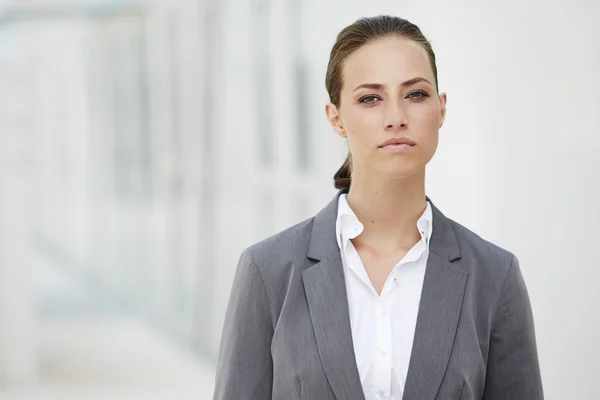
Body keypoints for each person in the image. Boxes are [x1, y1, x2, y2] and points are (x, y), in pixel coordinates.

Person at [213, 15, 543, 400]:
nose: (396, 118)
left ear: (441, 109)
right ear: (335, 118)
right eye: (370, 98)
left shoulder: (495, 277)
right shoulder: (268, 271)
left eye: (416, 94)